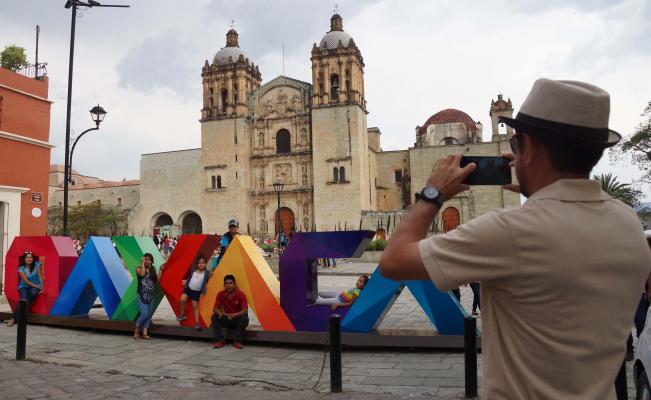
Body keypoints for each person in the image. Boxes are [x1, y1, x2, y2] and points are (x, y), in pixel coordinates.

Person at [380, 78, 651, 398]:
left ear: (531, 147)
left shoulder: (510, 231)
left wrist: (432, 193)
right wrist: (538, 184)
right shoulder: (627, 223)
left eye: (515, 144)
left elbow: (394, 260)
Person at [5, 251, 44, 327]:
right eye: (27, 257)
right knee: (23, 299)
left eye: (31, 257)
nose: (29, 259)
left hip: (36, 286)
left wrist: (42, 287)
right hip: (24, 286)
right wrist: (38, 287)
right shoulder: (21, 268)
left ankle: (14, 318)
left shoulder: (37, 264)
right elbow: (26, 281)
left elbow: (40, 276)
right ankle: (14, 318)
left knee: (33, 294)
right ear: (24, 259)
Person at [212, 275, 249, 349]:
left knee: (244, 318)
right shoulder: (220, 294)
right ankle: (220, 341)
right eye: (226, 283)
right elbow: (215, 308)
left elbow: (245, 310)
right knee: (214, 317)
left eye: (230, 283)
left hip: (237, 320)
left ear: (234, 284)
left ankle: (237, 341)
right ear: (224, 285)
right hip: (227, 318)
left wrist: (234, 315)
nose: (228, 285)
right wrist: (219, 313)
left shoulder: (241, 295)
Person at [133, 253, 164, 340]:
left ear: (151, 261)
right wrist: (142, 263)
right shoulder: (138, 269)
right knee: (144, 314)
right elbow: (142, 275)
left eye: (149, 259)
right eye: (146, 259)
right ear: (143, 260)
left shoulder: (152, 270)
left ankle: (145, 333)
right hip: (141, 295)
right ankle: (136, 330)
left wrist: (161, 270)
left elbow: (157, 279)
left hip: (151, 296)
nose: (147, 261)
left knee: (148, 315)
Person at [177, 255, 211, 330]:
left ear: (205, 264)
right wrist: (185, 284)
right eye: (199, 263)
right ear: (197, 264)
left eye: (203, 263)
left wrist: (210, 276)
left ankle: (197, 322)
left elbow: (208, 279)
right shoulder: (194, 271)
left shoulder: (206, 272)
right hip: (188, 289)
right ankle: (183, 314)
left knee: (195, 306)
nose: (201, 264)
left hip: (196, 292)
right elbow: (190, 279)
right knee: (181, 300)